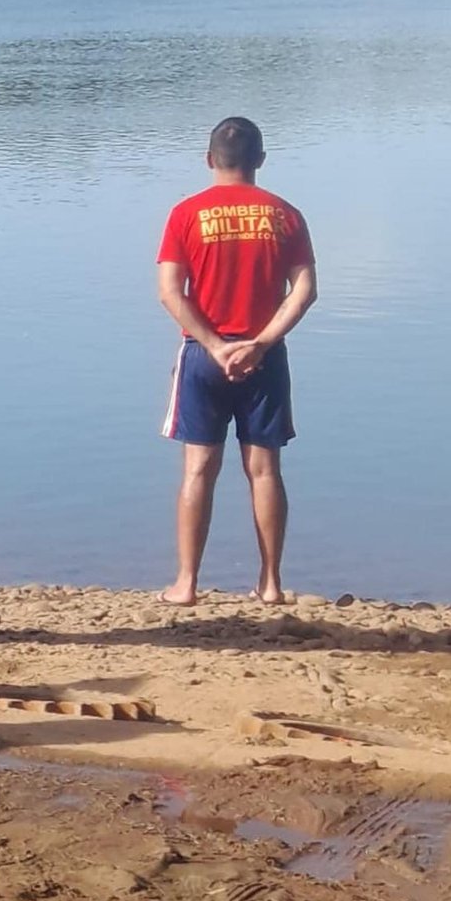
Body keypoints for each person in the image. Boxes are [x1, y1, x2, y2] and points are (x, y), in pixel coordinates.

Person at [156, 116, 318, 605]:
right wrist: (260, 344)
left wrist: (213, 344)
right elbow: (304, 291)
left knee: (198, 469)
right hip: (263, 360)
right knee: (265, 470)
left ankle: (186, 584)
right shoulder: (285, 215)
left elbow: (169, 292)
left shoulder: (186, 214)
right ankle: (270, 584)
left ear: (209, 160)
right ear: (260, 161)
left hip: (204, 357)